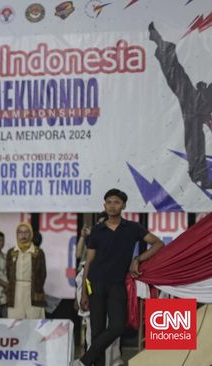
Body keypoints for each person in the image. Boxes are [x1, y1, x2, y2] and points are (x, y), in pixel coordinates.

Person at [74, 189, 164, 366]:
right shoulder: (98, 230)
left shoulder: (133, 228)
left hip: (117, 285)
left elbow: (158, 243)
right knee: (97, 332)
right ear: (104, 205)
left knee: (117, 326)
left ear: (123, 205)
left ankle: (82, 362)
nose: (112, 205)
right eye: (108, 202)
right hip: (96, 284)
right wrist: (84, 292)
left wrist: (138, 259)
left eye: (116, 202)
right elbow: (89, 262)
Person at [149, 22, 212, 189]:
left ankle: (199, 175)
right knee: (179, 79)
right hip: (198, 104)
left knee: (178, 79)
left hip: (199, 104)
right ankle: (199, 175)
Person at [5, 222, 46, 319]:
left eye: (26, 232)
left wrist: (37, 288)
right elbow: (8, 272)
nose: (23, 235)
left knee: (34, 320)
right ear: (17, 234)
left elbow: (42, 273)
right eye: (20, 232)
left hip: (33, 289)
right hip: (15, 289)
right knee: (15, 320)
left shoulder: (38, 252)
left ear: (31, 234)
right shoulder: (11, 252)